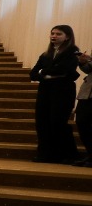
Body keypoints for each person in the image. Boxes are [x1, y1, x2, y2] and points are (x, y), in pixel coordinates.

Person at [30, 24, 80, 163]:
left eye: (58, 34)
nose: (54, 36)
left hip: (63, 91)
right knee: (42, 122)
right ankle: (45, 154)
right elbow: (33, 74)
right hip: (46, 90)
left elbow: (65, 69)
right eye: (52, 33)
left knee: (58, 122)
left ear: (67, 37)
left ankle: (67, 155)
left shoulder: (73, 51)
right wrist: (48, 72)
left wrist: (44, 72)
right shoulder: (46, 54)